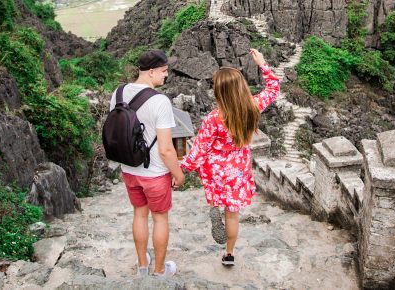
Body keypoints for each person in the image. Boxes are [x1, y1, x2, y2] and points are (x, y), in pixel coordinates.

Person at [180, 48, 280, 266]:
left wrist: (181, 171)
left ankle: (214, 205)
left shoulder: (213, 119)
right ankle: (229, 254)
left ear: (219, 93)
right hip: (238, 168)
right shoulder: (252, 107)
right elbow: (273, 90)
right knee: (232, 214)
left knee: (216, 191)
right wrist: (262, 64)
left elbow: (198, 151)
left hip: (216, 171)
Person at [109, 49, 185, 277]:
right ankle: (160, 271)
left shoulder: (118, 92)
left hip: (128, 169)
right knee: (160, 218)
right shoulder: (160, 101)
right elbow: (166, 149)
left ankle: (143, 265)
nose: (166, 75)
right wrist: (179, 174)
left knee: (139, 214)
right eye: (163, 71)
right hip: (154, 174)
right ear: (151, 72)